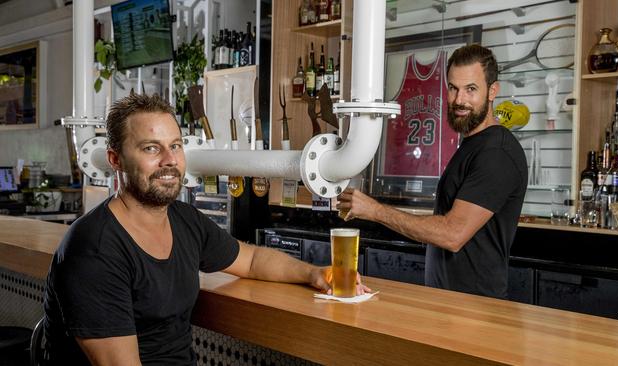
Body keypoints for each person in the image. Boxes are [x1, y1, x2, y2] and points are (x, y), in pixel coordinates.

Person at [43, 93, 369, 365]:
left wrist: (313, 274)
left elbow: (252, 260)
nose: (170, 160)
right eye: (151, 148)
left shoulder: (183, 219)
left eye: (176, 145)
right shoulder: (94, 250)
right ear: (115, 160)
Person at [337, 44, 527, 299]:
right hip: (451, 303)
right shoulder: (473, 145)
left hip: (476, 309)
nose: (459, 100)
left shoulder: (497, 152)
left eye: (471, 89)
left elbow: (452, 234)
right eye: (453, 88)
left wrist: (374, 210)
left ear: (493, 91)